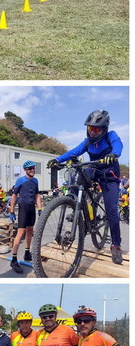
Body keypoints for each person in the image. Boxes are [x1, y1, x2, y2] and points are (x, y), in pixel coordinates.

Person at [47, 110, 123, 263]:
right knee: (77, 176)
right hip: (94, 170)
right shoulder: (88, 142)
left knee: (112, 212)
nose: (93, 132)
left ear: (104, 129)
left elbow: (118, 145)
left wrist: (114, 154)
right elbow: (74, 151)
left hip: (109, 176)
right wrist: (57, 159)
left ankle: (116, 245)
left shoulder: (111, 136)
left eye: (96, 129)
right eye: (90, 129)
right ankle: (75, 205)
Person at [9, 160, 42, 273]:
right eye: (29, 169)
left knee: (30, 230)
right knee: (21, 232)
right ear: (25, 170)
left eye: (33, 168)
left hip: (31, 208)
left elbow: (37, 195)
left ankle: (27, 252)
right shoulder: (20, 180)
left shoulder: (36, 181)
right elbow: (14, 196)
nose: (32, 170)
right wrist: (12, 211)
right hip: (23, 208)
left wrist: (40, 208)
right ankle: (13, 259)